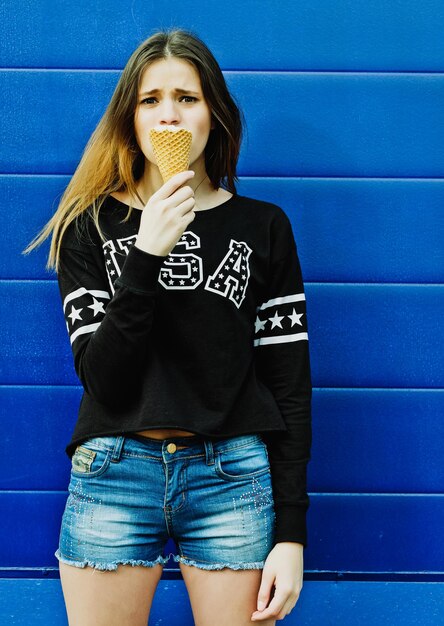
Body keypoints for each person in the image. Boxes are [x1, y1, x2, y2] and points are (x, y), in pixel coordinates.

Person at [24, 29, 312, 626]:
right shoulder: (89, 225)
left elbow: (288, 384)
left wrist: (292, 533)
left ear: (216, 115)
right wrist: (147, 254)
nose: (169, 115)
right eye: (150, 100)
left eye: (188, 97)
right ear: (129, 119)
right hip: (114, 472)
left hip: (231, 476)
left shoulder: (264, 227)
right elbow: (105, 380)